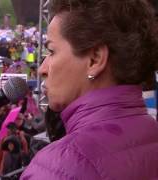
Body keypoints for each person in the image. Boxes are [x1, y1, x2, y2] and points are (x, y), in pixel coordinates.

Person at [21, 0, 158, 179]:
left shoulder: (61, 166)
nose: (42, 69)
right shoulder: (151, 132)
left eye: (52, 52)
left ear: (95, 60)